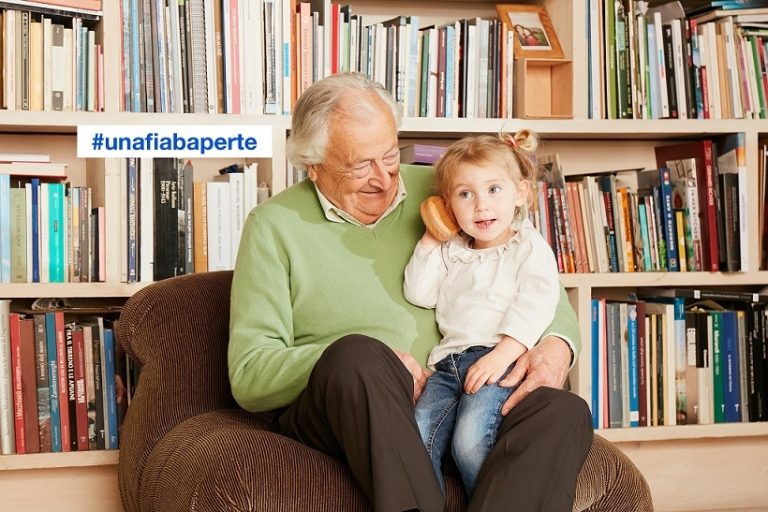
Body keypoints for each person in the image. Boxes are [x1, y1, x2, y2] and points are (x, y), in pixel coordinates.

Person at [228, 72, 593, 511]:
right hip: (350, 406)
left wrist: (556, 345)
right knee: (358, 356)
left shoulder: (453, 189)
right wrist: (378, 359)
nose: (383, 178)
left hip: (466, 387)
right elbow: (250, 375)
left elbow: (535, 281)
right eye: (360, 165)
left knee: (563, 412)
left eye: (389, 156)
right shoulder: (273, 226)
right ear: (315, 166)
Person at [404, 130, 562, 499]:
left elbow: (537, 302)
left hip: (497, 360)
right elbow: (419, 293)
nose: (480, 205)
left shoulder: (527, 247)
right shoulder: (452, 250)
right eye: (464, 194)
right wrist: (430, 240)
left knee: (470, 440)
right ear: (447, 204)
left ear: (520, 193)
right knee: (417, 434)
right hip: (447, 366)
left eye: (494, 189)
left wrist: (504, 354)